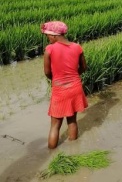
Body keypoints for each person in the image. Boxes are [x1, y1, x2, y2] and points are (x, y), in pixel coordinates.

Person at [41, 21, 88, 149]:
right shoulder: (77, 47)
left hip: (60, 89)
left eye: (48, 36)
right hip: (75, 87)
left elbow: (47, 72)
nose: (48, 38)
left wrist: (55, 80)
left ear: (55, 35)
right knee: (72, 120)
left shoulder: (49, 49)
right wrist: (74, 76)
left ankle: (51, 154)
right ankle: (74, 149)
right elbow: (84, 67)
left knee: (55, 125)